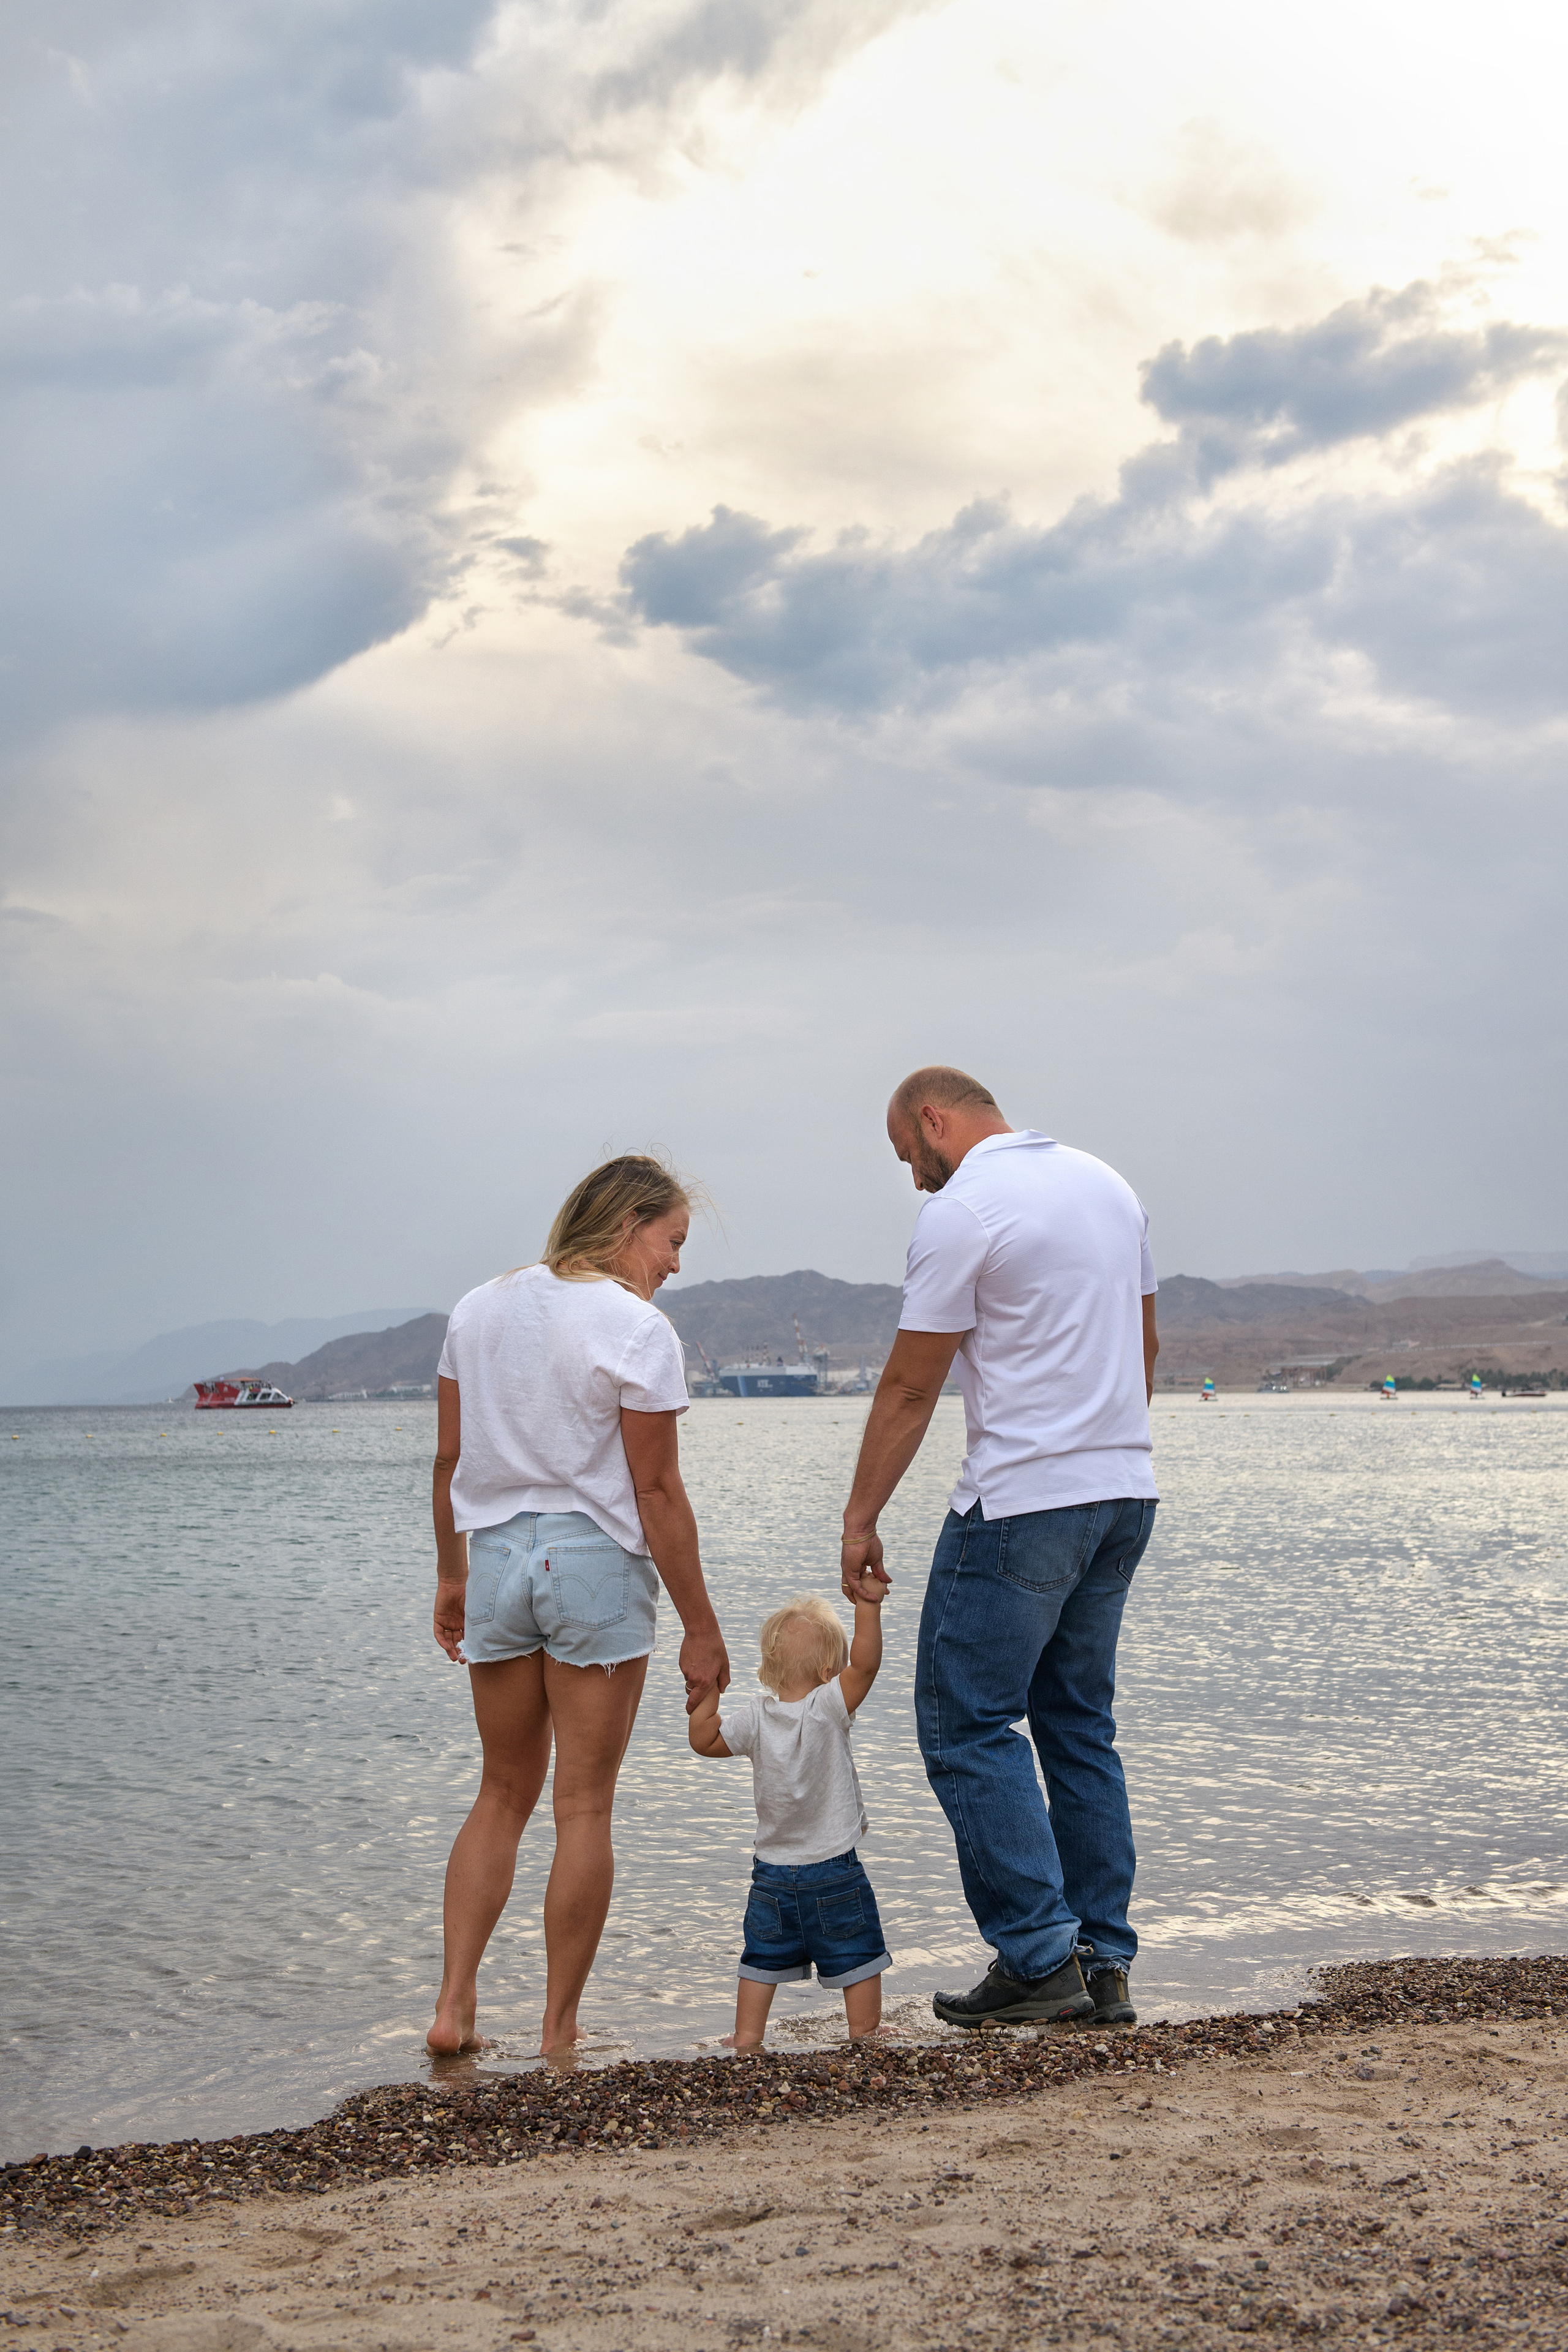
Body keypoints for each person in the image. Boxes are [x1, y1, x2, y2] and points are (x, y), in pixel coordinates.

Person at [840, 1067, 1159, 2030]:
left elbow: (908, 1388)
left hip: (1025, 1501)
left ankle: (1035, 1956)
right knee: (1076, 1725)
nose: (914, 1179)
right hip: (1123, 1492)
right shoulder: (1110, 1185)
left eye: (909, 1155)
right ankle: (1102, 1963)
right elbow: (1143, 1348)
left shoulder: (966, 1208)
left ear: (934, 1119)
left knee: (963, 1720)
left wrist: (859, 1520)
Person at [426, 1153, 729, 2057]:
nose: (675, 1263)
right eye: (673, 1240)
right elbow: (659, 1492)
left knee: (500, 1792)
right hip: (591, 1562)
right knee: (583, 1806)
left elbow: (448, 1463)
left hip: (496, 1558)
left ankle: (453, 2008)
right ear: (629, 1225)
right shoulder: (636, 1326)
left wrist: (451, 1576)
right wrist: (701, 1630)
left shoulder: (476, 1310)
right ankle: (558, 2030)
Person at [688, 1586, 891, 2048]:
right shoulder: (828, 1705)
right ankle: (865, 2032)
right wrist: (869, 1608)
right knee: (857, 1950)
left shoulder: (756, 1716)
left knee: (762, 1956)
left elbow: (703, 1741)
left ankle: (746, 2035)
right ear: (827, 1673)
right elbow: (868, 1664)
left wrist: (705, 1692)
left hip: (773, 1874)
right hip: (834, 1868)